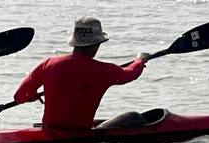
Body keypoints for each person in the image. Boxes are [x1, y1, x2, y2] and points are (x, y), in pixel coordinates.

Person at [12, 16, 150, 131]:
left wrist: (31, 95)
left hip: (50, 130)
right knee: (133, 117)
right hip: (80, 132)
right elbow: (131, 73)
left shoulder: (48, 64)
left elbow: (19, 96)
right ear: (96, 45)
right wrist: (140, 60)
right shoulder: (104, 70)